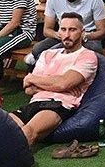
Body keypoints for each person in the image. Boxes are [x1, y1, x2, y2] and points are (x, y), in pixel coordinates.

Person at [9, 12, 98, 147]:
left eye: (72, 30)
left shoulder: (87, 56)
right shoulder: (47, 54)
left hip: (58, 104)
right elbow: (29, 89)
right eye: (63, 29)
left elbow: (64, 83)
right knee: (0, 127)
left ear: (82, 32)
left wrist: (34, 78)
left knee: (27, 131)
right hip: (35, 102)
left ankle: (8, 164)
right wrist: (52, 83)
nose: (67, 35)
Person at [27, 0, 105, 62]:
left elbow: (102, 32)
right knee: (37, 49)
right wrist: (59, 35)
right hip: (62, 35)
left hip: (87, 36)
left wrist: (84, 36)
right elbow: (47, 30)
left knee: (92, 50)